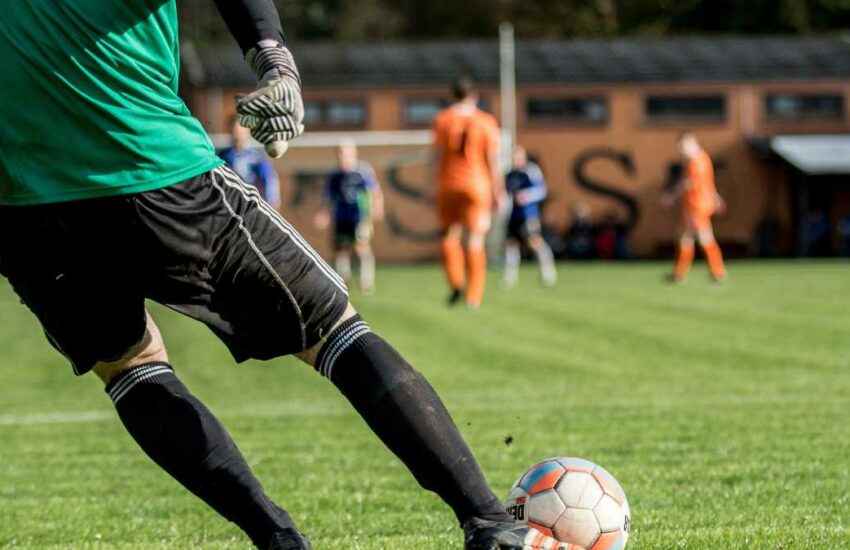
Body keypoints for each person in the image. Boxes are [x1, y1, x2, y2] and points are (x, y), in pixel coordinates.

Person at [0, 3, 561, 550]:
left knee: (130, 368)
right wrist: (275, 59)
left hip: (25, 206)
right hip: (152, 166)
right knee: (333, 328)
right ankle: (490, 524)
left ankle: (278, 538)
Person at [433, 77, 506, 308]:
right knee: (475, 240)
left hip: (448, 184)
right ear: (474, 96)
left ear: (453, 95)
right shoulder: (485, 121)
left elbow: (436, 156)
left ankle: (456, 282)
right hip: (476, 185)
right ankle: (473, 296)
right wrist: (498, 190)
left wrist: (432, 185)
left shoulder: (442, 119)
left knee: (449, 235)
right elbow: (492, 160)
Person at [315, 141, 383, 294]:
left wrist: (376, 208)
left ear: (354, 154)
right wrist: (323, 214)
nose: (342, 157)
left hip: (359, 216)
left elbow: (374, 192)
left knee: (361, 246)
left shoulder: (362, 172)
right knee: (340, 249)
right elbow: (328, 197)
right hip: (341, 216)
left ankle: (366, 282)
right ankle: (342, 280)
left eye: (345, 153)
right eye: (340, 153)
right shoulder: (335, 175)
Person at [662, 133, 727, 282]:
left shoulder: (697, 162)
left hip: (697, 206)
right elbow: (708, 183)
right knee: (688, 238)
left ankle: (716, 271)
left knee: (701, 238)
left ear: (692, 143)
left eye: (683, 147)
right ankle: (681, 273)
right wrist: (716, 198)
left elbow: (689, 183)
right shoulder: (703, 159)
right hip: (697, 205)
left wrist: (671, 196)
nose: (682, 151)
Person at [503, 146, 557, 288]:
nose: (515, 160)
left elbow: (542, 190)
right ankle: (510, 278)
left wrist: (527, 196)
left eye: (518, 157)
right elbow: (505, 193)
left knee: (535, 242)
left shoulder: (531, 171)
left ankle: (548, 273)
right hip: (514, 216)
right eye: (513, 157)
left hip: (529, 214)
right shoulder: (510, 174)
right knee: (511, 244)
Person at [219, 116, 282, 209]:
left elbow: (269, 180)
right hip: (230, 207)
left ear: (247, 132)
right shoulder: (223, 157)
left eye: (240, 131)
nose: (237, 134)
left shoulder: (257, 158)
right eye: (234, 131)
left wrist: (272, 201)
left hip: (252, 208)